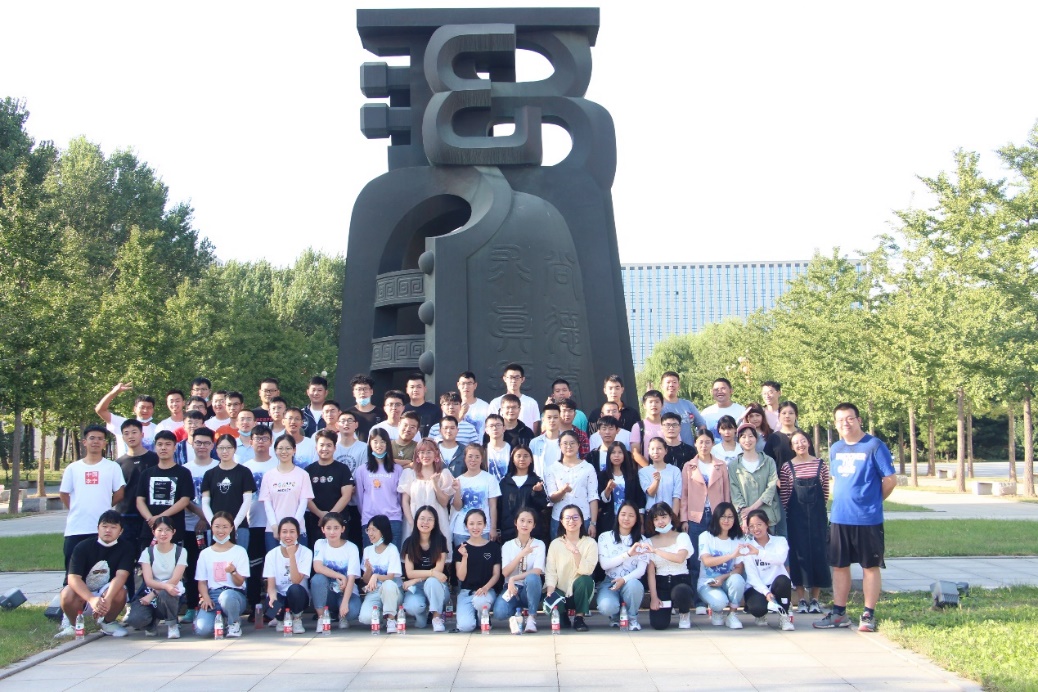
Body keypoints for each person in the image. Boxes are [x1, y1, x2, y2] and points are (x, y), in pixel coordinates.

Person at [814, 403, 897, 633]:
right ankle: (839, 612)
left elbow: (890, 480)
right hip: (840, 517)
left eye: (850, 418)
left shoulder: (874, 446)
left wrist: (873, 501)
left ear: (859, 420)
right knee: (839, 566)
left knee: (870, 566)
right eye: (840, 420)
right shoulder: (836, 448)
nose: (845, 423)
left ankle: (868, 613)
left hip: (867, 519)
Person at [56, 509, 134, 638]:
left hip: (105, 591)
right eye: (104, 526)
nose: (108, 530)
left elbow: (121, 576)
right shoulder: (82, 547)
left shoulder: (126, 548)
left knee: (121, 592)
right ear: (98, 528)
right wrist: (91, 599)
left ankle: (108, 623)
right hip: (84, 592)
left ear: (121, 531)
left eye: (113, 527)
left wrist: (108, 599)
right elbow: (73, 578)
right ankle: (75, 625)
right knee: (67, 593)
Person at [680, 428, 732, 611]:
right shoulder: (689, 466)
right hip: (696, 516)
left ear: (713, 443)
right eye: (700, 442)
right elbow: (684, 495)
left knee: (716, 555)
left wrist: (727, 516)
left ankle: (717, 596)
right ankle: (698, 601)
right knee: (696, 560)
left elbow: (726, 493)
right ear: (695, 444)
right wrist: (684, 519)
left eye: (707, 442)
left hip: (717, 516)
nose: (704, 445)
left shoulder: (720, 465)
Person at [781, 430, 831, 614]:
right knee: (798, 556)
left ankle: (815, 599)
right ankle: (801, 599)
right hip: (796, 518)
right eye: (796, 442)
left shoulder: (821, 465)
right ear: (792, 447)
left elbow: (825, 492)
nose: (800, 445)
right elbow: (785, 495)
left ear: (808, 442)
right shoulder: (787, 467)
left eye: (803, 441)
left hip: (818, 517)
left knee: (819, 554)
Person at [125, 516, 187, 638]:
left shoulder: (180, 551)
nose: (163, 534)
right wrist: (153, 593)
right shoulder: (147, 552)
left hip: (171, 592)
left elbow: (175, 579)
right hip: (149, 592)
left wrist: (153, 594)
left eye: (167, 530)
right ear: (153, 532)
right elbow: (148, 580)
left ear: (173, 532)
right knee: (135, 619)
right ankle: (150, 624)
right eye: (160, 530)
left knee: (167, 592)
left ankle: (172, 624)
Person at [193, 511, 250, 637]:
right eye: (217, 526)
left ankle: (233, 623)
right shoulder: (205, 553)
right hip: (213, 595)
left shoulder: (239, 551)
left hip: (234, 595)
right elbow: (202, 582)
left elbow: (240, 582)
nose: (221, 530)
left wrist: (233, 572)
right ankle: (221, 620)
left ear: (231, 528)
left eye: (225, 527)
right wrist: (206, 598)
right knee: (203, 630)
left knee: (227, 596)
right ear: (211, 527)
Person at [137, 431, 194, 553]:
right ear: (155, 447)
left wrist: (161, 518)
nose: (163, 448)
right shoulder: (146, 473)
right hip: (150, 530)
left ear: (175, 447)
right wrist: (150, 519)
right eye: (160, 444)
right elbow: (140, 500)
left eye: (168, 444)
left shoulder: (183, 473)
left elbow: (185, 500)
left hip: (174, 530)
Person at [241, 425, 277, 617]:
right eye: (257, 438)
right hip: (253, 523)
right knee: (254, 567)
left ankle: (275, 608)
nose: (261, 442)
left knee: (275, 568)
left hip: (275, 525)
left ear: (271, 441)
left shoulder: (278, 464)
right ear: (250, 441)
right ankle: (254, 605)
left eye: (264, 438)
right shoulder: (245, 467)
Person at [544, 504, 597, 632]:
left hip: (579, 591)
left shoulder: (590, 543)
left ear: (582, 520)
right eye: (567, 518)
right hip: (561, 591)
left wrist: (575, 552)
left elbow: (587, 570)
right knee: (560, 622)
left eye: (575, 517)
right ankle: (563, 616)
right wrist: (550, 590)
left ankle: (579, 617)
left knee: (585, 580)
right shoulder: (555, 544)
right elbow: (550, 571)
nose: (571, 521)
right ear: (561, 521)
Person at [596, 501, 648, 630]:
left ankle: (632, 618)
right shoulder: (605, 537)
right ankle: (614, 616)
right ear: (617, 516)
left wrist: (624, 580)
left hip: (630, 580)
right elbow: (605, 565)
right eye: (623, 514)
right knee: (606, 606)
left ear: (636, 519)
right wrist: (628, 554)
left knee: (634, 585)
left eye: (631, 515)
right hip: (610, 581)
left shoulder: (642, 540)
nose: (626, 518)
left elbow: (641, 570)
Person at [258, 435, 315, 550]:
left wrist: (293, 528)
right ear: (275, 450)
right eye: (280, 448)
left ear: (294, 450)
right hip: (273, 530)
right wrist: (275, 527)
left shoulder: (303, 475)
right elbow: (267, 505)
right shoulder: (268, 475)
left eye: (288, 448)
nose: (284, 452)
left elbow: (303, 503)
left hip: (298, 530)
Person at [740, 509, 794, 631]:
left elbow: (780, 559)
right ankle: (762, 614)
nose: (756, 529)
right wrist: (766, 593)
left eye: (759, 524)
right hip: (758, 587)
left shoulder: (780, 541)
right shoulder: (747, 546)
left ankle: (784, 615)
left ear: (767, 524)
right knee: (757, 609)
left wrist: (758, 552)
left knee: (784, 580)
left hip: (777, 584)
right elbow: (752, 576)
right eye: (751, 526)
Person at [492, 507, 545, 632]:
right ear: (516, 522)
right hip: (512, 589)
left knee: (532, 578)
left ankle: (531, 617)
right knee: (499, 613)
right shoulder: (508, 545)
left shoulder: (539, 544)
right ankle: (516, 616)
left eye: (529, 522)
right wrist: (521, 554)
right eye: (522, 520)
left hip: (529, 589)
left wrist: (514, 578)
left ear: (534, 525)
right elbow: (505, 572)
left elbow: (537, 571)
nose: (525, 524)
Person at [644, 502, 695, 630]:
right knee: (659, 624)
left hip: (681, 580)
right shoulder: (649, 542)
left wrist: (656, 551)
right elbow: (651, 572)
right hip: (661, 583)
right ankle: (667, 609)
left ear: (671, 517)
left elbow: (679, 558)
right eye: (656, 519)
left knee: (681, 592)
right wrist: (654, 597)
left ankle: (684, 613)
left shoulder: (682, 537)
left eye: (664, 517)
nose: (660, 522)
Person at [697, 501, 746, 629]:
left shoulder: (738, 539)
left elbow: (739, 568)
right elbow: (707, 561)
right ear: (716, 518)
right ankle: (717, 611)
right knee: (719, 603)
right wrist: (731, 555)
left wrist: (723, 577)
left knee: (737, 579)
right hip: (707, 583)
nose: (726, 520)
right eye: (723, 516)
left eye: (730, 517)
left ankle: (732, 614)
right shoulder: (705, 536)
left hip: (726, 580)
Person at [401, 506, 451, 631]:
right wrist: (430, 573)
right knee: (413, 607)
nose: (425, 522)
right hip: (416, 587)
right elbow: (410, 573)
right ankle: (421, 616)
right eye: (422, 518)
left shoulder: (440, 540)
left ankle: (436, 617)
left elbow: (438, 571)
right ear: (416, 521)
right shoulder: (409, 542)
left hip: (437, 586)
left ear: (435, 523)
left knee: (432, 581)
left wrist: (417, 578)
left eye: (430, 519)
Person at [201, 434, 256, 548]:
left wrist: (233, 525)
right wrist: (215, 525)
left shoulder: (244, 472)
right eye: (221, 448)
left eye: (228, 447)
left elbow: (247, 501)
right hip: (215, 529)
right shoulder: (209, 474)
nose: (225, 451)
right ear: (216, 449)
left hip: (239, 527)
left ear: (234, 449)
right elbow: (205, 503)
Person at [353, 428, 404, 549]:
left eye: (382, 442)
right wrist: (366, 513)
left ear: (388, 444)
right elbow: (359, 498)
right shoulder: (361, 470)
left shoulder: (397, 469)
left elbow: (400, 497)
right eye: (375, 441)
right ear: (370, 444)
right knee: (371, 556)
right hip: (370, 519)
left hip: (393, 519)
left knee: (392, 555)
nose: (379, 445)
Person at [311, 512, 362, 629]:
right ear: (323, 529)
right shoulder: (320, 543)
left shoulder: (352, 548)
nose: (332, 532)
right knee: (317, 579)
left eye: (336, 528)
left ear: (342, 529)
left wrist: (345, 603)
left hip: (345, 591)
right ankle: (322, 617)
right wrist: (340, 576)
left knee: (352, 611)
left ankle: (341, 616)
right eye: (328, 528)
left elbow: (351, 577)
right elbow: (317, 567)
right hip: (328, 592)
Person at [453, 508, 501, 632]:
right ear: (466, 526)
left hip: (486, 591)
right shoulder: (460, 548)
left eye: (479, 523)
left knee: (480, 601)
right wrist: (464, 557)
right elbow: (461, 577)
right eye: (471, 524)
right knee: (465, 627)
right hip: (466, 593)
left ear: (485, 525)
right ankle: (473, 615)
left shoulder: (493, 547)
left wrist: (485, 588)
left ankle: (482, 618)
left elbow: (496, 574)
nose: (475, 527)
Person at [304, 429, 354, 549]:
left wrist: (329, 516)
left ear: (335, 448)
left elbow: (346, 495)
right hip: (316, 521)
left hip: (339, 522)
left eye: (329, 445)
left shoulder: (343, 469)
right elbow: (306, 497)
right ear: (316, 447)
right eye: (321, 445)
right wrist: (320, 514)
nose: (325, 448)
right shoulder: (308, 471)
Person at [263, 517, 313, 633]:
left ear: (298, 534)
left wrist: (291, 556)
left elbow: (296, 581)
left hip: (298, 595)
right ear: (279, 534)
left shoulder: (306, 552)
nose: (288, 536)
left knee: (294, 589)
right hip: (280, 595)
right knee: (270, 606)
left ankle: (296, 618)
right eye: (284, 532)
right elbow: (271, 586)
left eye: (292, 532)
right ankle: (280, 619)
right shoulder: (271, 554)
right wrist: (273, 598)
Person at [545, 430, 599, 537]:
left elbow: (593, 497)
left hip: (584, 518)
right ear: (560, 446)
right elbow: (552, 498)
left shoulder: (588, 468)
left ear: (578, 445)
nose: (569, 446)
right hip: (559, 519)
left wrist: (593, 523)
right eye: (565, 443)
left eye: (572, 443)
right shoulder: (552, 469)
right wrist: (563, 491)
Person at [399, 439, 454, 542]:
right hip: (414, 518)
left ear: (436, 454)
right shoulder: (410, 474)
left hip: (438, 521)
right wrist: (412, 522)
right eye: (422, 452)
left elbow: (444, 502)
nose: (425, 455)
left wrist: (435, 484)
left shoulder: (443, 474)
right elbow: (405, 501)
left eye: (429, 452)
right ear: (417, 455)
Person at [115, 420, 158, 550]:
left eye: (134, 432)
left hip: (150, 516)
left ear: (142, 434)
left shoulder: (155, 459)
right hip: (125, 515)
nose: (131, 436)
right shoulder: (118, 463)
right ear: (123, 437)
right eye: (126, 433)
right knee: (126, 553)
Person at [728, 424, 780, 531]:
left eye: (751, 436)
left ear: (756, 438)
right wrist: (744, 517)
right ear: (739, 440)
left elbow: (771, 487)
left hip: (767, 517)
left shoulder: (769, 461)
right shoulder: (733, 465)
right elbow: (735, 492)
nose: (747, 440)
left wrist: (751, 509)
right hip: (745, 520)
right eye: (743, 436)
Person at [358, 515, 404, 633]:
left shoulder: (392, 549)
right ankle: (383, 616)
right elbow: (366, 580)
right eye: (368, 530)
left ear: (383, 531)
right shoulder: (367, 550)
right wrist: (369, 571)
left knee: (388, 585)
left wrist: (376, 575)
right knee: (365, 618)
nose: (370, 533)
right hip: (374, 591)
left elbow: (391, 577)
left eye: (374, 530)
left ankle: (391, 619)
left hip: (392, 591)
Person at [449, 444, 501, 547]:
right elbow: (458, 507)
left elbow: (493, 506)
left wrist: (493, 528)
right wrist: (457, 490)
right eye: (470, 456)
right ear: (465, 458)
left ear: (482, 459)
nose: (473, 460)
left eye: (477, 457)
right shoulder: (458, 480)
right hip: (461, 530)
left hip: (483, 530)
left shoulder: (490, 479)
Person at [498, 446, 549, 543]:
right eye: (518, 456)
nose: (522, 459)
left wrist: (537, 493)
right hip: (509, 531)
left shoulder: (536, 481)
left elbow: (542, 506)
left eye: (526, 456)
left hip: (532, 532)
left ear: (531, 460)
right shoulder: (504, 482)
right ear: (513, 459)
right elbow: (499, 507)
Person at [95, 382, 157, 455]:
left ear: (153, 410)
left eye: (149, 408)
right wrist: (114, 392)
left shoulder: (158, 429)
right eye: (142, 407)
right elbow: (100, 410)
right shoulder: (123, 424)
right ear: (135, 409)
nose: (145, 410)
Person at [597, 442, 645, 535]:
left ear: (625, 455)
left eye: (620, 452)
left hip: (629, 519)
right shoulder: (603, 475)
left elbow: (639, 498)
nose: (616, 455)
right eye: (613, 452)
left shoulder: (632, 475)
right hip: (609, 520)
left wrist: (641, 522)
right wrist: (608, 490)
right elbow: (600, 502)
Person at [639, 437, 683, 520]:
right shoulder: (643, 472)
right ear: (648, 451)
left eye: (659, 448)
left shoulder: (675, 470)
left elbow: (676, 497)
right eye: (652, 449)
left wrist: (673, 518)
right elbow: (650, 493)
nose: (655, 452)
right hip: (651, 515)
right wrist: (656, 481)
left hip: (669, 513)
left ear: (665, 451)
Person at [488, 363, 541, 432]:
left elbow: (535, 430)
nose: (513, 381)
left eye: (517, 377)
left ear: (522, 379)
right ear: (504, 378)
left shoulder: (531, 403)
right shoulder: (495, 403)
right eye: (510, 377)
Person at [659, 371, 708, 445]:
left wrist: (699, 442)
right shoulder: (658, 406)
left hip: (689, 449)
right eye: (668, 382)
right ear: (661, 386)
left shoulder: (687, 404)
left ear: (679, 386)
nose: (671, 385)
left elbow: (701, 424)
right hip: (666, 449)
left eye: (674, 382)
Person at [763, 400, 814, 470]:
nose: (787, 416)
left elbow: (812, 459)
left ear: (796, 416)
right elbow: (767, 463)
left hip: (803, 475)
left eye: (791, 413)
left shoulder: (804, 436)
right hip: (780, 476)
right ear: (779, 416)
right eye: (784, 413)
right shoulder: (773, 438)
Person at [701, 378, 747, 443]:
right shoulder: (706, 413)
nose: (719, 392)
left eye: (723, 388)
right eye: (716, 389)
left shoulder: (742, 411)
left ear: (731, 391)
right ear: (711, 392)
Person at [529, 404, 563, 479]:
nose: (552, 420)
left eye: (555, 417)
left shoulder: (566, 441)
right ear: (543, 419)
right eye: (549, 417)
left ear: (560, 419)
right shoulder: (534, 443)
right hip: (540, 483)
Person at [631, 389, 664, 465]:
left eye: (657, 402)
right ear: (644, 405)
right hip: (645, 470)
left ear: (662, 405)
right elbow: (635, 453)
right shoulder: (638, 426)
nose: (654, 405)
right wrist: (650, 469)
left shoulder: (669, 425)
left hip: (668, 469)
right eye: (650, 402)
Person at [346, 374, 384, 441]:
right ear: (353, 393)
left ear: (371, 391)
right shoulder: (348, 414)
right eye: (359, 389)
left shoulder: (381, 413)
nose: (362, 392)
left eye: (365, 389)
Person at [404, 373, 440, 438]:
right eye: (412, 387)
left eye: (419, 387)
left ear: (425, 389)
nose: (415, 390)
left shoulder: (435, 410)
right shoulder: (402, 410)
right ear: (407, 390)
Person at [456, 371, 490, 439]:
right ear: (458, 385)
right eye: (463, 383)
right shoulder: (452, 406)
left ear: (475, 385)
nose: (466, 387)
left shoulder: (485, 406)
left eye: (469, 383)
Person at [483, 414, 511, 480]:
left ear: (504, 428)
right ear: (486, 430)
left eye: (498, 425)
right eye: (491, 426)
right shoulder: (482, 450)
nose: (495, 428)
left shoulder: (512, 449)